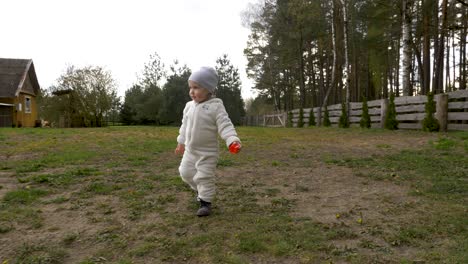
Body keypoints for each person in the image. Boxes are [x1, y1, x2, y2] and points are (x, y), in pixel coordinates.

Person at [175, 66, 241, 217]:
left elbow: (225, 125)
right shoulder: (188, 107)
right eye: (190, 87)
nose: (192, 91)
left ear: (208, 89)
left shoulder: (216, 107)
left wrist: (232, 140)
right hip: (191, 151)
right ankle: (200, 190)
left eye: (196, 87)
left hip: (207, 153)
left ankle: (205, 202)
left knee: (204, 177)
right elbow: (184, 126)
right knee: (185, 173)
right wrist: (181, 143)